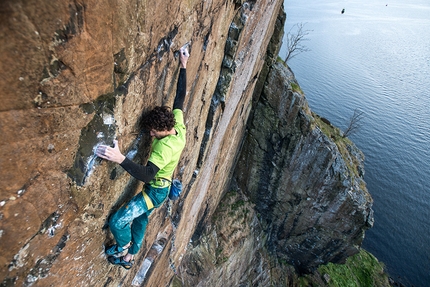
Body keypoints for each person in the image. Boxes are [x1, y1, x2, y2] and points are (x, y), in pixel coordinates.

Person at [96, 47, 189, 269]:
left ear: (161, 129)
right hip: (161, 188)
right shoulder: (178, 125)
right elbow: (180, 98)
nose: (150, 135)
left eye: (152, 132)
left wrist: (120, 158)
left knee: (118, 221)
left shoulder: (163, 149)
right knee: (141, 218)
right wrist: (183, 65)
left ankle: (123, 249)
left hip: (156, 190)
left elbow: (147, 175)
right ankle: (132, 257)